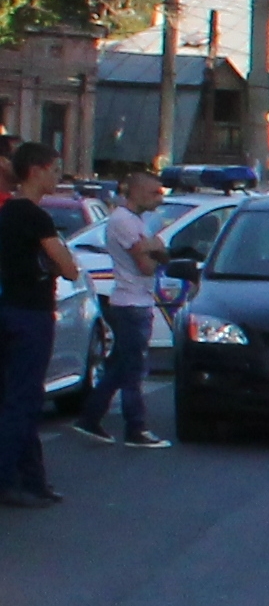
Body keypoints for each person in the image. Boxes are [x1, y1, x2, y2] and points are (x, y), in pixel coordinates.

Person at [73, 163, 172, 447]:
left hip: (136, 300)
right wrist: (153, 248)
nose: (158, 199)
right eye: (153, 193)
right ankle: (135, 427)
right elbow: (146, 265)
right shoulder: (124, 221)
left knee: (120, 365)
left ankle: (90, 417)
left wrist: (153, 247)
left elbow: (159, 253)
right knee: (133, 369)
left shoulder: (137, 222)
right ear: (136, 192)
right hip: (131, 303)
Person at [0, 142, 70, 508]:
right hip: (32, 313)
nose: (58, 176)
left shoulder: (7, 212)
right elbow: (68, 266)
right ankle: (7, 479)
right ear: (36, 170)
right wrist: (58, 263)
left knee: (17, 396)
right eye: (54, 169)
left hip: (8, 307)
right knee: (24, 399)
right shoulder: (35, 216)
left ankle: (33, 479)